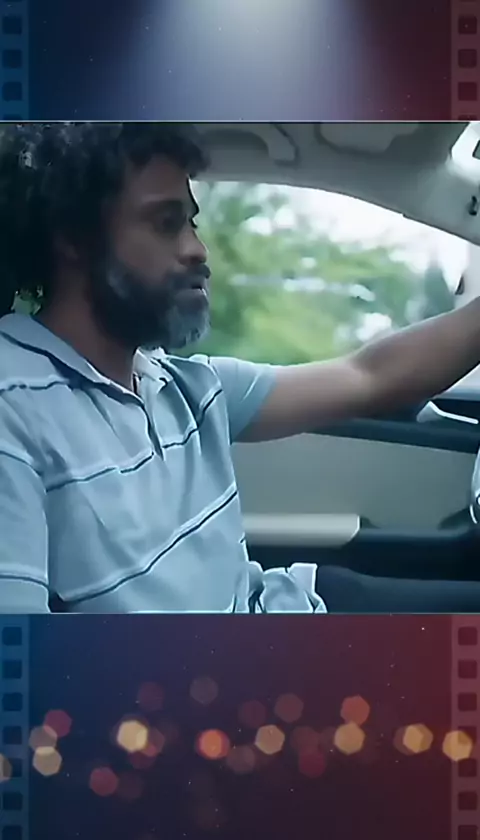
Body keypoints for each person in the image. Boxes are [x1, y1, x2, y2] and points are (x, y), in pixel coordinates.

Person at [0, 121, 480, 614]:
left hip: (288, 606)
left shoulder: (182, 385)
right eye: (166, 223)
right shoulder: (13, 407)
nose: (197, 249)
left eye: (191, 224)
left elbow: (371, 377)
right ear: (74, 238)